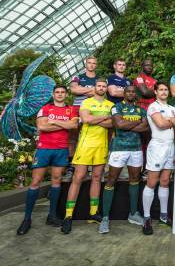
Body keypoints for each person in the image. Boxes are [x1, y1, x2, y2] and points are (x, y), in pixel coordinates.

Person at [16, 86, 79, 235]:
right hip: (44, 149)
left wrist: (54, 122)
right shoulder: (45, 108)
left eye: (62, 92)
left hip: (61, 149)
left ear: (66, 94)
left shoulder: (71, 110)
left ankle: (51, 216)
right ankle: (27, 219)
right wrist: (63, 124)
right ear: (53, 94)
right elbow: (41, 126)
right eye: (57, 92)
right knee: (35, 182)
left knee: (56, 181)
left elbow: (74, 125)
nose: (60, 94)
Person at [61, 79, 114, 234]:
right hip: (85, 144)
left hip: (101, 145)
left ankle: (92, 213)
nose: (102, 88)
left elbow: (112, 124)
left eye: (104, 86)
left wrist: (95, 119)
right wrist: (104, 118)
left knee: (97, 177)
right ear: (95, 87)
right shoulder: (86, 102)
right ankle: (68, 216)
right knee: (78, 177)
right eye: (99, 86)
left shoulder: (111, 105)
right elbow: (86, 120)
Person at [99, 85, 149, 234]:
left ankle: (133, 214)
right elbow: (118, 124)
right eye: (128, 91)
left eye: (133, 92)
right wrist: (136, 122)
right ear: (124, 94)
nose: (131, 93)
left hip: (136, 149)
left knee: (135, 179)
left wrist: (126, 125)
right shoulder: (116, 107)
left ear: (135, 94)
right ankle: (105, 218)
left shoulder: (142, 110)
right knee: (111, 179)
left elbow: (145, 128)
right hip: (119, 148)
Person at [142, 82, 175, 235]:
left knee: (165, 181)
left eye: (166, 89)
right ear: (155, 92)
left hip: (170, 146)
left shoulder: (173, 108)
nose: (164, 92)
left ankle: (163, 216)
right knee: (152, 181)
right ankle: (146, 218)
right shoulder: (153, 106)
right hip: (157, 146)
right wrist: (173, 121)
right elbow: (160, 124)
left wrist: (173, 120)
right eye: (161, 89)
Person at [66, 56, 98, 181]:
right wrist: (91, 90)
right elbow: (74, 89)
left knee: (90, 138)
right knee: (73, 137)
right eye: (89, 63)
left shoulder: (99, 79)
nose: (91, 65)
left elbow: (99, 92)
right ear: (86, 64)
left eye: (94, 63)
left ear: (96, 65)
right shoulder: (78, 77)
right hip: (77, 109)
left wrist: (82, 90)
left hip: (93, 110)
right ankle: (70, 166)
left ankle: (88, 167)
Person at [134, 59, 156, 180]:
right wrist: (156, 91)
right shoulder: (139, 78)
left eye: (150, 65)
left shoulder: (154, 80)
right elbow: (144, 92)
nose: (149, 67)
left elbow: (150, 93)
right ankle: (139, 169)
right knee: (141, 141)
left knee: (149, 141)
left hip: (152, 111)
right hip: (142, 111)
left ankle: (147, 168)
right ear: (142, 66)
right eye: (146, 65)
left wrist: (153, 91)